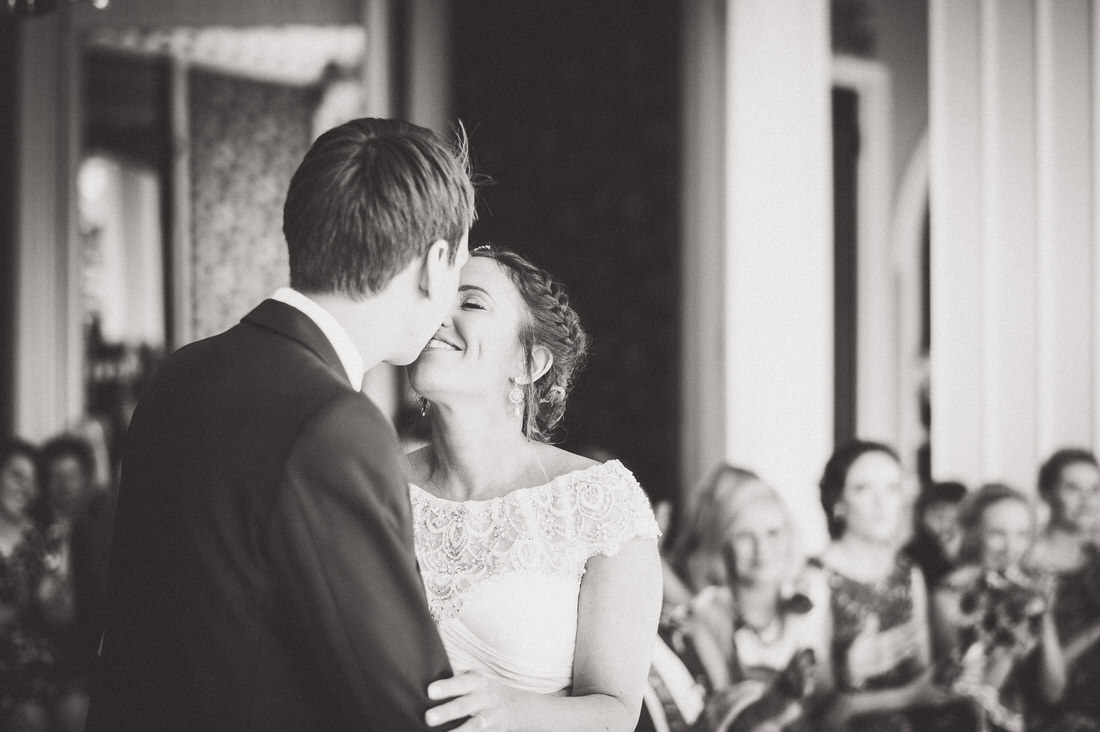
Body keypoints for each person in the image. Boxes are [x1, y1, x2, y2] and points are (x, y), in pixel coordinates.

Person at [86, 118, 476, 731]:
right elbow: (404, 705)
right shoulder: (335, 424)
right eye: (460, 269)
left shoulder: (181, 373)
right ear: (434, 263)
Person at [405, 246, 663, 730]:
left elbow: (616, 713)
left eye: (471, 303)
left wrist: (513, 711)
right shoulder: (374, 488)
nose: (439, 313)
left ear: (530, 363)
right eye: (434, 296)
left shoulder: (598, 504)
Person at [812, 439, 975, 732]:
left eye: (892, 488)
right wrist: (850, 672)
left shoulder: (908, 573)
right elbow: (819, 711)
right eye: (863, 489)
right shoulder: (816, 578)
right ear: (838, 503)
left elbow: (924, 682)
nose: (881, 502)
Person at [686, 481, 831, 732]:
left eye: (773, 533)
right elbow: (727, 717)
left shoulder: (812, 593)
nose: (761, 549)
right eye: (744, 536)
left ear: (790, 536)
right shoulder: (711, 611)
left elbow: (829, 699)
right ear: (724, 544)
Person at [932, 483, 1065, 732]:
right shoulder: (950, 594)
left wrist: (1042, 615)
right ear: (975, 533)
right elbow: (971, 695)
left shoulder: (1034, 588)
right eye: (997, 533)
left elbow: (1054, 691)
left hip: (1030, 720)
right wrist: (1016, 626)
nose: (1011, 547)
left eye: (1022, 534)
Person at [0, 438, 72, 732]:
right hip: (5, 667)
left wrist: (55, 594)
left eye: (32, 480)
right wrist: (25, 604)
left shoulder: (38, 537)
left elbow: (61, 621)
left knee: (78, 709)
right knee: (30, 719)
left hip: (41, 661)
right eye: (17, 475)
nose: (25, 488)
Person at [1030, 449, 1100, 728]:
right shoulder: (1030, 562)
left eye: (1094, 489)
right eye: (1073, 488)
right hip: (1051, 713)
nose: (1087, 501)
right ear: (1047, 494)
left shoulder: (1095, 558)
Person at [903, 480, 967, 592]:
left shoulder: (977, 554)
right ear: (921, 516)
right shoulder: (911, 558)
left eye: (954, 517)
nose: (946, 525)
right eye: (938, 515)